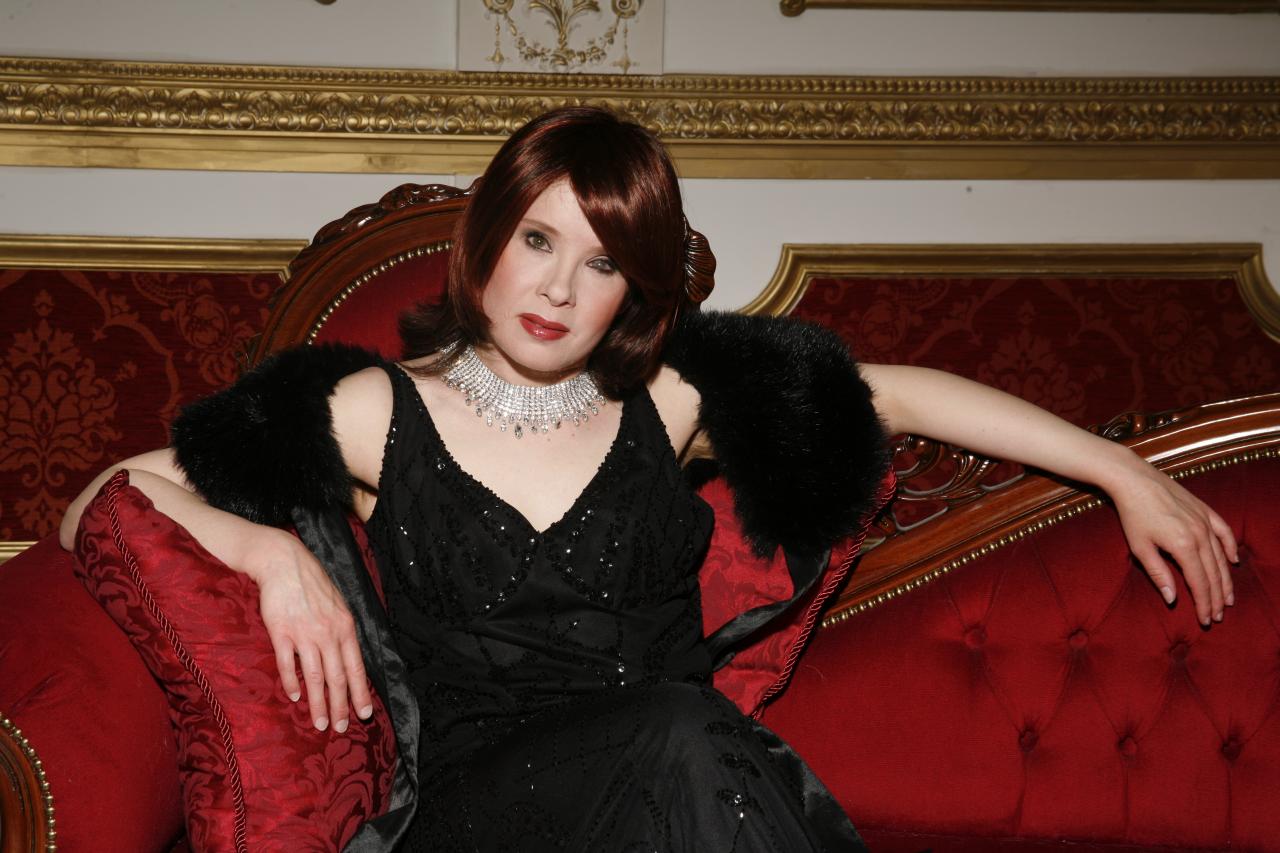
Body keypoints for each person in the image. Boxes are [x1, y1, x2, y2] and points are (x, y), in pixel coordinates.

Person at [58, 106, 1237, 852]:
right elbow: (100, 501)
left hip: (676, 799)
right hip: (482, 813)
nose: (557, 289)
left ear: (635, 291)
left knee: (685, 738)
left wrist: (1120, 472)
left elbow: (901, 395)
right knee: (684, 731)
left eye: (602, 262)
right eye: (537, 240)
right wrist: (267, 551)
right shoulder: (374, 411)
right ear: (486, 239)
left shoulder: (666, 404)